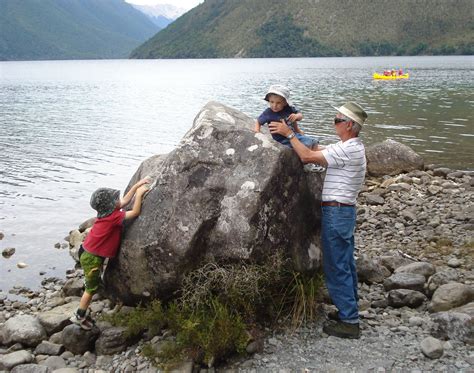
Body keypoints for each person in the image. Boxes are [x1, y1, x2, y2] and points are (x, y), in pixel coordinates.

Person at [269, 102, 367, 339]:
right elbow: (317, 149)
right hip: (343, 212)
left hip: (338, 212)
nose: (334, 123)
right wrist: (298, 132)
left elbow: (306, 156)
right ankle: (349, 310)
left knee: (336, 264)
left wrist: (288, 134)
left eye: (337, 120)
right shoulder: (349, 146)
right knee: (346, 262)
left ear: (349, 125)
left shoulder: (348, 149)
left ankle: (350, 322)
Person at [70, 178, 150, 330]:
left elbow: (125, 201)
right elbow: (135, 212)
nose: (118, 201)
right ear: (110, 205)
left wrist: (137, 185)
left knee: (93, 282)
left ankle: (85, 310)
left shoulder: (109, 213)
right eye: (115, 200)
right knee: (91, 288)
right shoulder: (113, 217)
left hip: (88, 252)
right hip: (91, 257)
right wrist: (139, 195)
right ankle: (79, 316)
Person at [255, 84, 320, 151]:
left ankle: (315, 153)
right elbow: (258, 121)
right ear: (268, 100)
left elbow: (300, 116)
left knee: (310, 141)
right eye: (272, 102)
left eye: (278, 103)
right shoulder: (268, 112)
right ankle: (315, 152)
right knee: (308, 142)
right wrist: (257, 132)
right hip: (282, 139)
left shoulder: (289, 109)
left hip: (293, 134)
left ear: (285, 103)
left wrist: (297, 116)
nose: (274, 105)